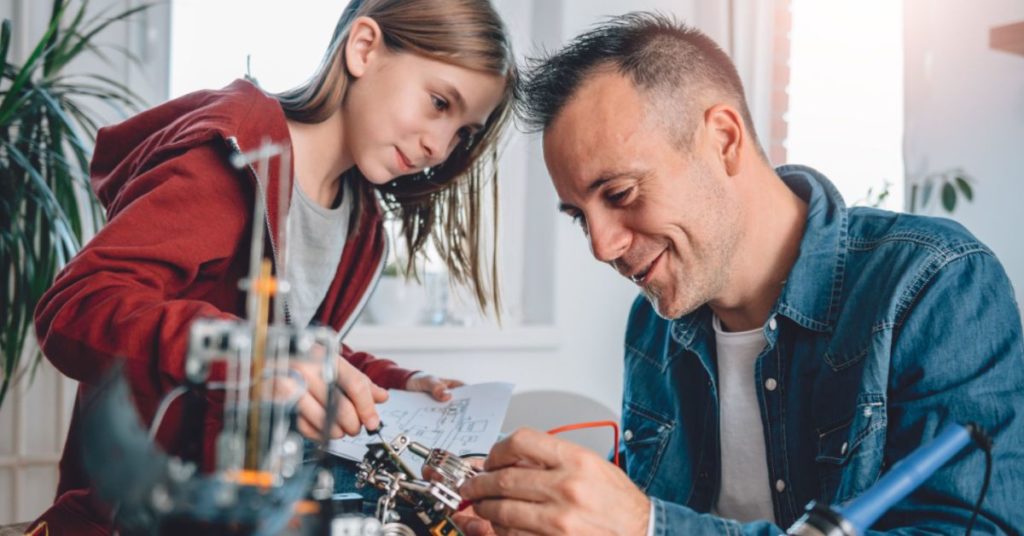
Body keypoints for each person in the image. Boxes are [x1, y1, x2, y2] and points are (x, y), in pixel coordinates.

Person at [456, 12, 1024, 535]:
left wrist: (648, 527)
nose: (604, 246)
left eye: (621, 193)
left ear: (723, 140)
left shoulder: (934, 283)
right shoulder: (653, 329)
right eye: (582, 218)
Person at [30, 0, 516, 532]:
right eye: (439, 102)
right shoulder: (230, 159)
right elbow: (77, 308)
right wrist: (264, 358)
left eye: (463, 132)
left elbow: (295, 340)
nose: (439, 147)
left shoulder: (359, 218)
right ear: (364, 48)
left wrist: (400, 385)